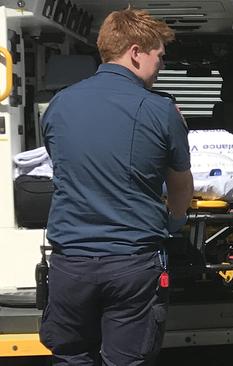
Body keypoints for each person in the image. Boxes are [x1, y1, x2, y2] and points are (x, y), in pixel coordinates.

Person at [39, 7, 194, 365]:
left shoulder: (59, 105)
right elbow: (181, 188)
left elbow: (63, 166)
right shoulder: (161, 111)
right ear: (136, 52)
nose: (161, 67)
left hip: (70, 266)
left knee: (72, 357)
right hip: (132, 265)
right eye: (160, 57)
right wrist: (174, 220)